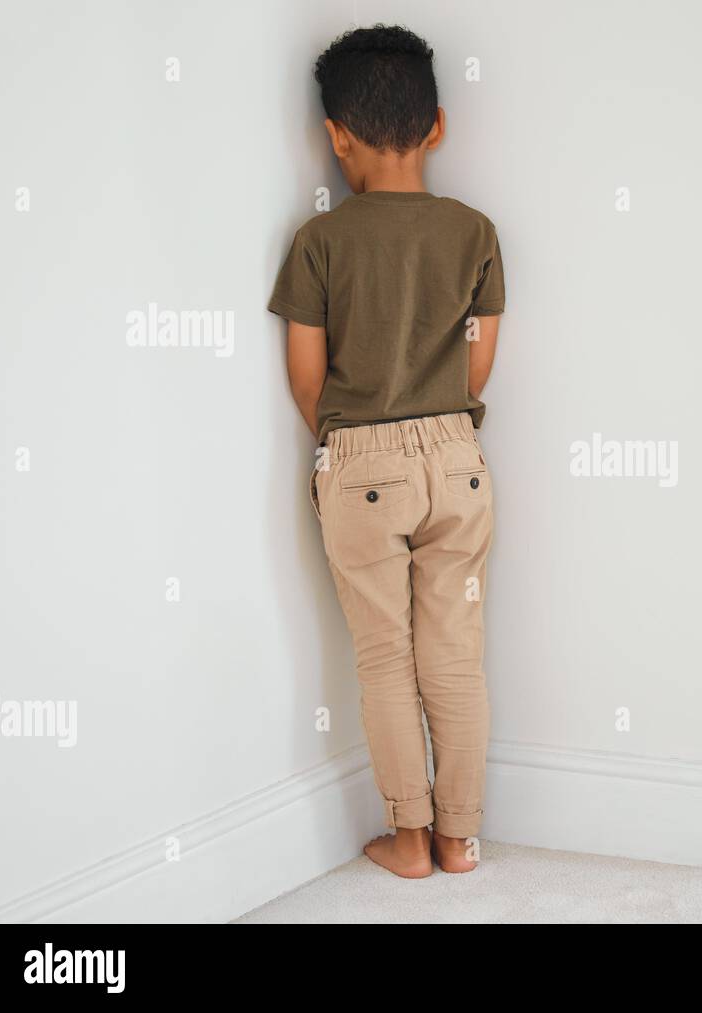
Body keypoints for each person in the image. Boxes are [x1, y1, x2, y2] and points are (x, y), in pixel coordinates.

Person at [268, 24, 504, 878]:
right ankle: (460, 836)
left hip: (362, 458)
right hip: (458, 456)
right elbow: (479, 358)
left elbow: (306, 381)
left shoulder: (319, 242)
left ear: (335, 136)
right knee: (454, 652)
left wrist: (354, 448)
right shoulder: (474, 232)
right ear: (436, 125)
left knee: (384, 655)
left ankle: (406, 838)